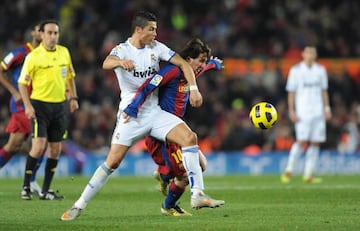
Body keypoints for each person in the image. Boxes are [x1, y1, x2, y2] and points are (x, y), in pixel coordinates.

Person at [61, 11, 223, 221]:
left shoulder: (158, 48)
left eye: (155, 29)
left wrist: (194, 88)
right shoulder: (122, 50)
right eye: (151, 29)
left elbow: (183, 64)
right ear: (139, 30)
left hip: (155, 112)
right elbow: (106, 63)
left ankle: (198, 194)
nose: (155, 33)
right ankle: (79, 205)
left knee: (190, 138)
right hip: (131, 114)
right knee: (113, 162)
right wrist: (120, 63)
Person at [123, 38, 223, 216]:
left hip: (176, 129)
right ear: (188, 59)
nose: (202, 65)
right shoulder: (172, 71)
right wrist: (133, 107)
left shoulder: (191, 73)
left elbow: (204, 68)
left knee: (202, 165)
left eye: (204, 61)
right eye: (200, 60)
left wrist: (213, 64)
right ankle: (168, 205)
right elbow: (148, 86)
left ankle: (164, 175)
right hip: (162, 133)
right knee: (184, 176)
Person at [18, 19, 79, 200]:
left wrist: (73, 97)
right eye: (49, 33)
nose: (53, 36)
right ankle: (26, 186)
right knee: (38, 146)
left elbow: (70, 76)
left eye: (55, 33)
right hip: (39, 106)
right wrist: (27, 105)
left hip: (59, 106)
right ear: (42, 35)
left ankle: (45, 190)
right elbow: (22, 84)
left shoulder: (64, 53)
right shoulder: (33, 57)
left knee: (55, 150)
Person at [0, 23, 44, 197]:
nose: (42, 33)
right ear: (33, 32)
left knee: (42, 143)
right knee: (14, 145)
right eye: (39, 29)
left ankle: (31, 181)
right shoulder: (20, 52)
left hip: (42, 103)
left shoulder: (48, 55)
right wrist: (14, 91)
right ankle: (31, 181)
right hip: (21, 105)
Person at [280, 45, 332, 183]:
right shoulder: (295, 70)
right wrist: (291, 110)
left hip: (318, 112)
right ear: (303, 54)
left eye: (312, 52)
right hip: (302, 112)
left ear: (315, 55)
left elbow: (324, 91)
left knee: (315, 142)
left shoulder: (320, 70)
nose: (310, 55)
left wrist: (327, 108)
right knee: (301, 141)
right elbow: (291, 92)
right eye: (308, 52)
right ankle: (289, 170)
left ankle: (308, 174)